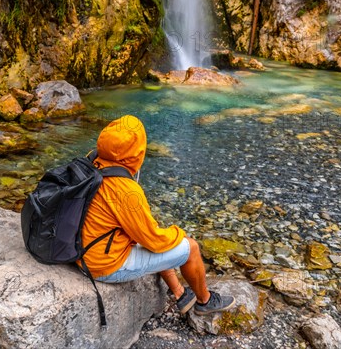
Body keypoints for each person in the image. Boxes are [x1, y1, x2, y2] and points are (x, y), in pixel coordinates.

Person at [77, 115, 235, 315]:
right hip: (104, 266)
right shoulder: (127, 191)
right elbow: (154, 241)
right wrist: (178, 234)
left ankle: (180, 293)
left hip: (82, 249)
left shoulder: (92, 160)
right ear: (137, 151)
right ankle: (205, 301)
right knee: (191, 248)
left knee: (148, 228)